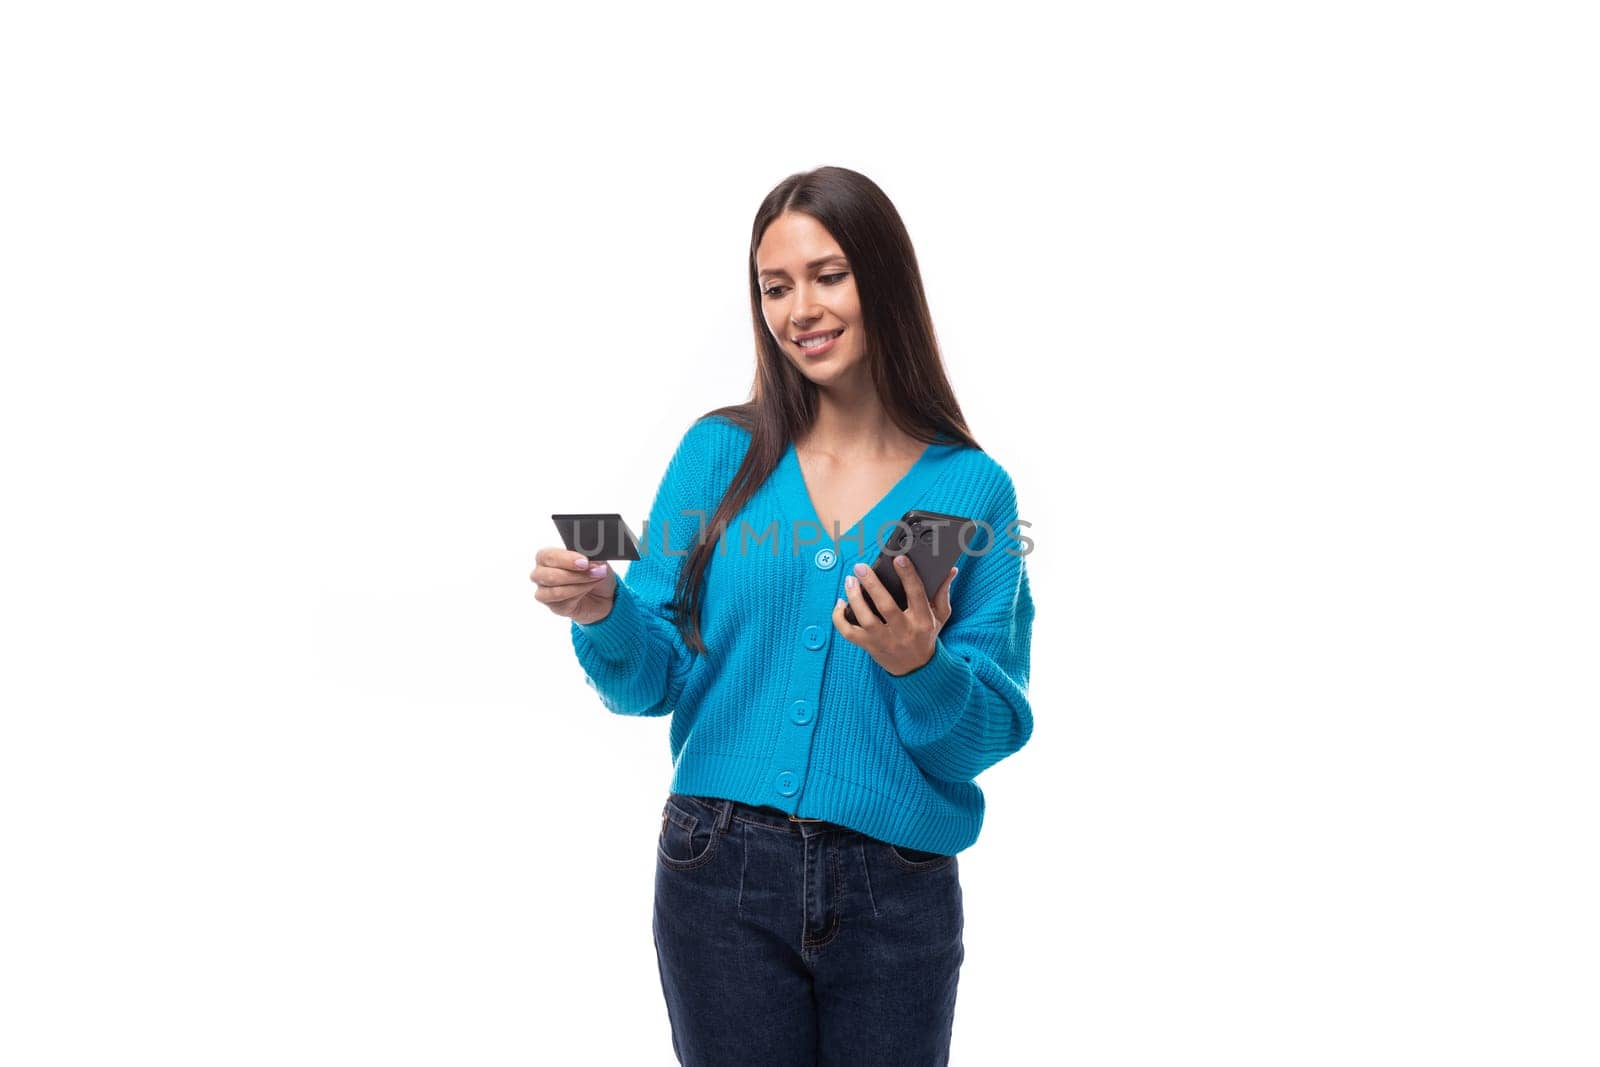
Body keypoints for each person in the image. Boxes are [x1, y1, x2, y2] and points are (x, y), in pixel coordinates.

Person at [529, 165, 1035, 1066]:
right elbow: (654, 681)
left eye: (828, 273)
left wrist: (922, 663)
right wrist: (607, 610)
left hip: (898, 886)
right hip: (716, 867)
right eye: (775, 285)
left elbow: (984, 735)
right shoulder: (718, 452)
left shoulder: (973, 489)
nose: (801, 306)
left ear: (883, 276)